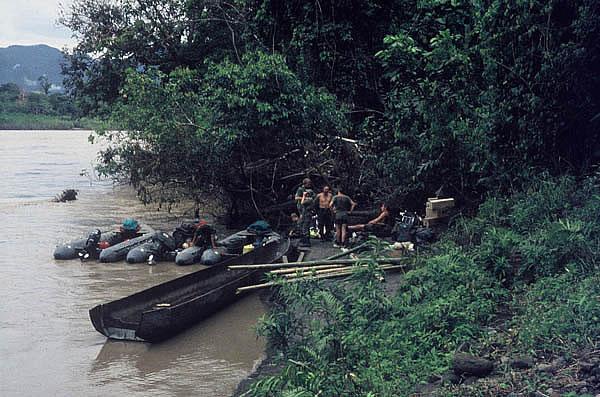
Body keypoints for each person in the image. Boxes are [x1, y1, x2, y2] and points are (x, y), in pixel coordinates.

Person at [294, 178, 316, 247]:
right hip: (302, 210)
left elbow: (312, 198)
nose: (310, 184)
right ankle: (303, 240)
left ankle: (306, 241)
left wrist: (306, 198)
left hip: (306, 211)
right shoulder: (301, 189)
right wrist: (303, 197)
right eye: (308, 183)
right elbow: (296, 198)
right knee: (302, 225)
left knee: (305, 225)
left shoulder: (310, 196)